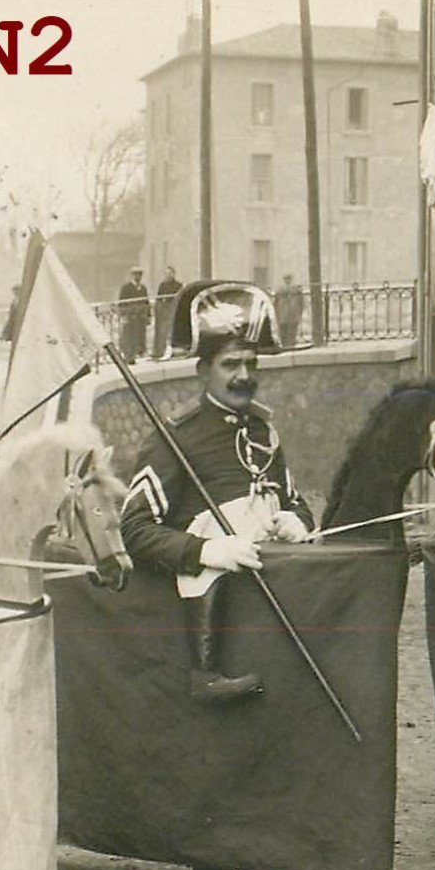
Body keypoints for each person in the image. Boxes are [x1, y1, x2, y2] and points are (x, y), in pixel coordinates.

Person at [120, 280, 314, 708]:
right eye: (230, 364)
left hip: (276, 604)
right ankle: (204, 674)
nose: (243, 375)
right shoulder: (174, 440)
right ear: (202, 371)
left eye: (250, 363)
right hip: (220, 622)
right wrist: (205, 551)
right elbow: (133, 529)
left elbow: (296, 499)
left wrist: (296, 519)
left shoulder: (265, 432)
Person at [116, 266, 151, 363]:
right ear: (132, 275)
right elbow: (122, 302)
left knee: (141, 334)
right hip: (131, 316)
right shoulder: (126, 288)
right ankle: (129, 355)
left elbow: (146, 302)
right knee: (129, 335)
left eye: (139, 275)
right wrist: (123, 315)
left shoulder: (143, 288)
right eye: (136, 274)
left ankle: (140, 352)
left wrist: (148, 316)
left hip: (141, 316)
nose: (138, 276)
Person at [152, 265, 183, 359]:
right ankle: (160, 351)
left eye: (170, 273)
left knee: (173, 331)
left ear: (173, 274)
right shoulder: (162, 285)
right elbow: (159, 299)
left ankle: (174, 350)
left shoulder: (178, 285)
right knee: (162, 332)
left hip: (174, 311)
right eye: (166, 273)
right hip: (164, 312)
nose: (168, 275)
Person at [274, 274, 305, 349]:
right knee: (286, 329)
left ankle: (289, 343)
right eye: (286, 279)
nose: (288, 281)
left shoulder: (295, 289)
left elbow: (301, 302)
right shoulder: (281, 290)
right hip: (286, 313)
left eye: (289, 279)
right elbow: (276, 303)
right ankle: (287, 343)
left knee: (290, 329)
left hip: (290, 313)